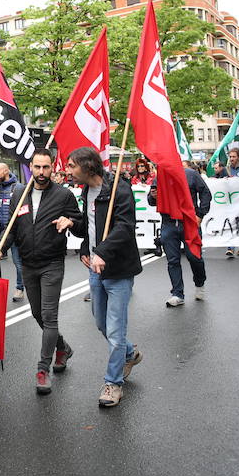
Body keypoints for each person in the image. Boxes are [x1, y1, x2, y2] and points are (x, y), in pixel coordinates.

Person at [0, 149, 83, 394]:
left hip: (52, 263)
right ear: (30, 167)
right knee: (37, 314)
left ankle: (42, 369)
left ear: (52, 168)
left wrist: (72, 222)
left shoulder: (64, 195)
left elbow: (82, 227)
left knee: (49, 314)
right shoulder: (18, 194)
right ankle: (62, 347)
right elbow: (11, 229)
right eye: (37, 167)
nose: (41, 173)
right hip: (27, 264)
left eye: (46, 168)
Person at [65, 147, 143, 407]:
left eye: (71, 165)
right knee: (101, 324)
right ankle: (129, 354)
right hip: (96, 269)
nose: (67, 170)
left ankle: (113, 383)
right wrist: (77, 234)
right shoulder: (87, 191)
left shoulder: (118, 189)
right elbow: (91, 227)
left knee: (115, 330)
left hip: (118, 270)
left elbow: (124, 227)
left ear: (87, 167)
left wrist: (102, 252)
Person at [148, 160, 211, 306]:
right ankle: (177, 293)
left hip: (189, 223)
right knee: (173, 260)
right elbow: (151, 201)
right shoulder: (159, 179)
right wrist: (153, 196)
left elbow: (205, 193)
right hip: (168, 224)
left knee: (194, 256)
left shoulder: (191, 175)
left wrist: (200, 214)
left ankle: (199, 283)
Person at [0, 162, 25, 301]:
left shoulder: (18, 187)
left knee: (17, 261)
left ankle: (19, 288)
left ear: (6, 171)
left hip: (14, 232)